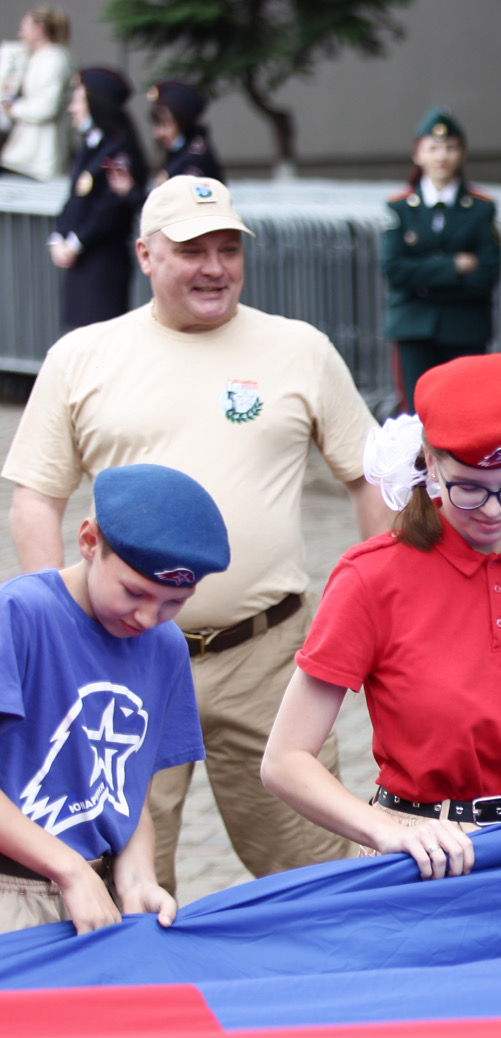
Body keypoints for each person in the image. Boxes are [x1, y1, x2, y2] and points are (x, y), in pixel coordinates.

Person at [4, 175, 389, 894]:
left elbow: (370, 479)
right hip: (122, 658)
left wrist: (368, 614)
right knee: (123, 866)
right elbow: (36, 497)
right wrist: (63, 633)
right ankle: (138, 1000)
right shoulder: (84, 355)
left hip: (268, 654)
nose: (214, 266)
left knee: (310, 864)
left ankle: (328, 1000)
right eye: (192, 251)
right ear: (146, 255)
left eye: (227, 248)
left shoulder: (299, 349)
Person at [262, 354, 501, 878]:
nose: (492, 511)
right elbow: (285, 760)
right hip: (417, 853)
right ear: (430, 466)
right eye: (469, 489)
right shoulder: (371, 577)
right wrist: (384, 832)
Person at [0, 464, 226, 934]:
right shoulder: (19, 614)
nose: (148, 617)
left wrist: (138, 876)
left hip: (92, 891)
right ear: (89, 541)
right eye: (134, 592)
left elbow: (128, 789)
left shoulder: (167, 647)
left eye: (173, 603)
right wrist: (68, 868)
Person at [381, 107, 500, 413]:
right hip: (412, 325)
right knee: (418, 414)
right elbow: (394, 270)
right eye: (433, 148)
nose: (441, 156)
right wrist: (454, 266)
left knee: (466, 411)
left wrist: (423, 275)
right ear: (418, 154)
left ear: (462, 153)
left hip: (465, 326)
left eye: (450, 147)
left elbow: (486, 275)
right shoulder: (399, 207)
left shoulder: (481, 208)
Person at [49, 67, 145, 330]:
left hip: (103, 263)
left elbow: (111, 208)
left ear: (95, 103)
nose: (72, 108)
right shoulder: (91, 146)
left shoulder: (118, 150)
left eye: (79, 100)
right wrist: (59, 237)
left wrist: (77, 242)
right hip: (81, 260)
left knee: (98, 337)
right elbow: (74, 199)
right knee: (78, 337)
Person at [0, 7, 70, 181]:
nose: (20, 34)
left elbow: (47, 107)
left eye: (24, 28)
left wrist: (13, 108)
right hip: (26, 154)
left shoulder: (53, 60)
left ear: (39, 29)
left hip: (40, 157)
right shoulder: (37, 57)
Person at [145, 80, 223, 184]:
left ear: (183, 122)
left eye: (165, 124)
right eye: (157, 124)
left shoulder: (193, 162)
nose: (157, 133)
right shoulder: (179, 156)